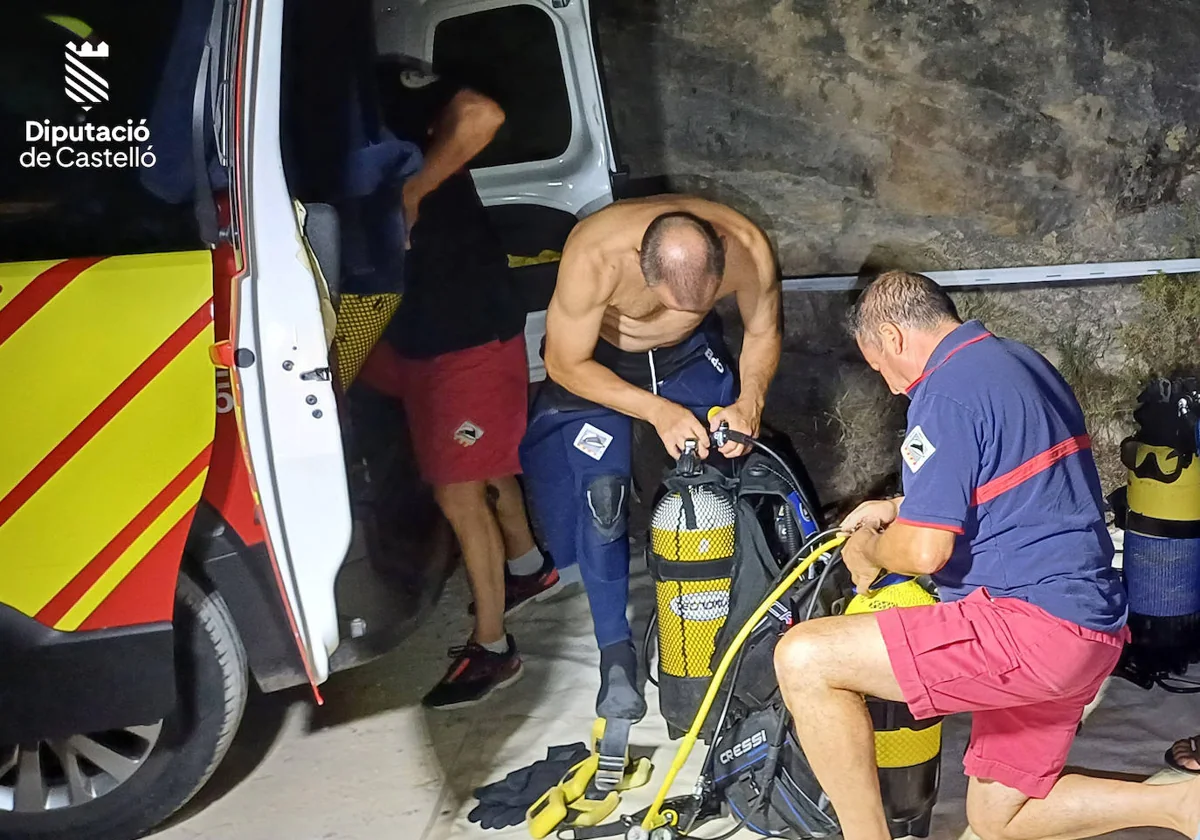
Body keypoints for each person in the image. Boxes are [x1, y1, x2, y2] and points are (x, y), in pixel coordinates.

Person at [772, 270, 1200, 840]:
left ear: (894, 338)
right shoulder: (1019, 363)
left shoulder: (943, 390)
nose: (894, 387)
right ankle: (1185, 806)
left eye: (880, 367)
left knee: (805, 658)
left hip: (1028, 626)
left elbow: (925, 552)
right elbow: (1008, 482)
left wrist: (869, 549)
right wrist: (900, 505)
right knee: (1000, 818)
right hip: (1087, 623)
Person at [518, 195, 781, 724]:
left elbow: (761, 332)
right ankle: (615, 650)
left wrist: (748, 404)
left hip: (688, 357)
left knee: (716, 481)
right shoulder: (596, 253)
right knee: (603, 500)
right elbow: (564, 362)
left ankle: (731, 628)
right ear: (642, 263)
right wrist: (657, 413)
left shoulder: (746, 246)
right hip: (600, 362)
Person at [360, 55, 560, 710]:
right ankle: (528, 567)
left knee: (457, 491)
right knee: (471, 462)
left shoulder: (385, 87)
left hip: (464, 330)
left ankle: (494, 647)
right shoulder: (316, 111)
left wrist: (411, 195)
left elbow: (482, 115)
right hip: (410, 327)